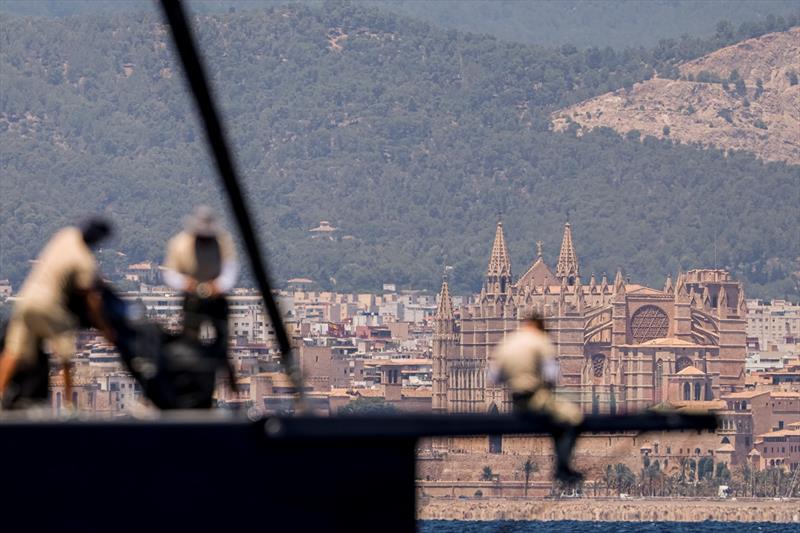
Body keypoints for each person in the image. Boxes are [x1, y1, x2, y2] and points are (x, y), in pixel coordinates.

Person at [0, 218, 114, 408]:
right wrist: (104, 327)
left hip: (25, 300)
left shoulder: (65, 236)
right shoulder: (84, 260)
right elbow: (89, 299)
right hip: (49, 305)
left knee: (13, 351)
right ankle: (69, 406)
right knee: (66, 356)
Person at [491, 311, 584, 483]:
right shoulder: (540, 341)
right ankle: (563, 466)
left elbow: (494, 377)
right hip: (535, 398)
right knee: (572, 416)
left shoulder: (508, 342)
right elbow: (551, 375)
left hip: (514, 399)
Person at [162, 206, 238, 405]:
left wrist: (217, 287)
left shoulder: (223, 242)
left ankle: (230, 380)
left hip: (216, 297)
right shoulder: (179, 244)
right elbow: (170, 274)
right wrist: (187, 284)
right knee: (189, 342)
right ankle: (189, 383)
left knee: (223, 340)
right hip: (191, 298)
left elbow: (230, 272)